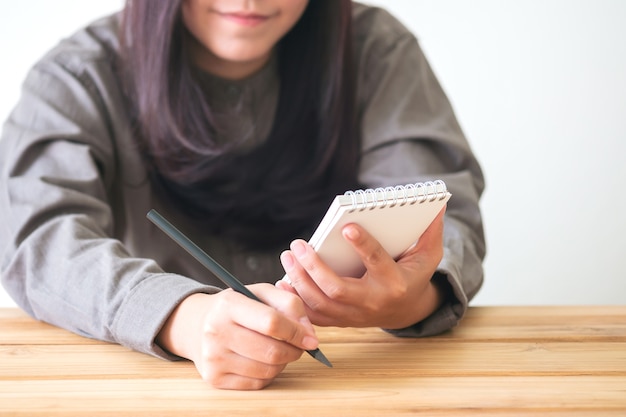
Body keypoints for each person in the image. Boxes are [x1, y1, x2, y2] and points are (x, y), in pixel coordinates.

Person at [0, 0, 485, 390]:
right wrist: (181, 317)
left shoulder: (376, 49)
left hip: (352, 373)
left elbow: (444, 210)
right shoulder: (78, 74)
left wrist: (412, 298)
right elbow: (37, 240)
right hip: (153, 382)